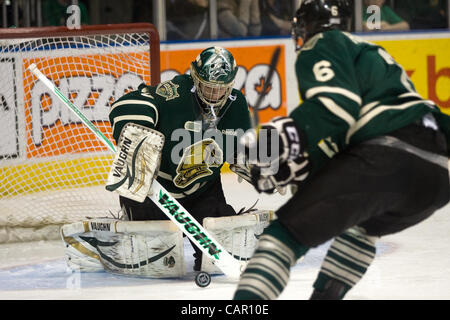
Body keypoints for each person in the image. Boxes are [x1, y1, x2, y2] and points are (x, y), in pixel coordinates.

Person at [233, 0, 450, 300]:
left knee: (285, 235)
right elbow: (347, 146)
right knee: (361, 229)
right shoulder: (373, 56)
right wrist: (301, 168)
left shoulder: (324, 43)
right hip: (436, 178)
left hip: (387, 158)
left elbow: (336, 109)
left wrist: (274, 141)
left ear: (308, 27)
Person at [108, 46, 252, 271]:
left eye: (220, 89)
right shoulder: (175, 91)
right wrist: (140, 137)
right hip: (156, 192)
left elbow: (240, 148)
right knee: (157, 265)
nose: (214, 95)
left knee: (217, 254)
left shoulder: (237, 104)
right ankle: (130, 227)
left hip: (203, 191)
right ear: (195, 77)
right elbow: (126, 105)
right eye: (208, 87)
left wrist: (259, 166)